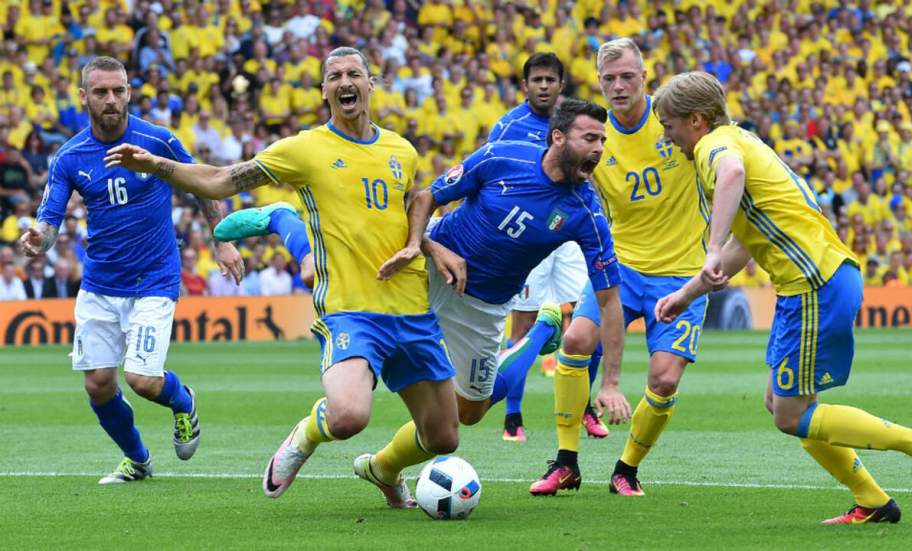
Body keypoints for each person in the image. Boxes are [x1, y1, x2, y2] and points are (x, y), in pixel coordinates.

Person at [104, 47, 461, 508]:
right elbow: (220, 179)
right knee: (349, 415)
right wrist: (155, 165)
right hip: (350, 309)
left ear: (372, 84)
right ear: (324, 91)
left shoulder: (402, 150)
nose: (345, 82)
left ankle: (382, 469)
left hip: (411, 307)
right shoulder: (304, 149)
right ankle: (306, 433)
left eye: (354, 73)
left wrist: (428, 243)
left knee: (444, 438)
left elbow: (409, 205)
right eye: (334, 76)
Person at [211, 97, 630, 479]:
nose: (598, 148)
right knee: (318, 272)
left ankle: (383, 467)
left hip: (482, 304)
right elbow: (428, 194)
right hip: (426, 260)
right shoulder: (503, 156)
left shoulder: (586, 212)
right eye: (589, 137)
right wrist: (418, 244)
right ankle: (286, 219)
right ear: (558, 137)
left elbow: (610, 301)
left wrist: (609, 382)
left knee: (468, 415)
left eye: (602, 140)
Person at [653, 70, 912, 524]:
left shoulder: (717, 146)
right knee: (782, 402)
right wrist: (689, 292)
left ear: (696, 120)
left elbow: (730, 179)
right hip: (813, 283)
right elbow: (746, 244)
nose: (667, 135)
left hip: (814, 283)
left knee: (790, 413)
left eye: (669, 125)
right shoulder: (739, 140)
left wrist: (710, 248)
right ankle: (873, 502)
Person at [18, 56, 244, 484]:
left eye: (119, 90)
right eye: (101, 92)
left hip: (155, 278)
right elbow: (49, 223)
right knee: (98, 385)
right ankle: (138, 460)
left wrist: (223, 238)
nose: (111, 99)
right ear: (84, 97)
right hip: (101, 283)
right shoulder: (70, 156)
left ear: (128, 92)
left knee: (141, 379)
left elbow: (204, 183)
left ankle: (183, 402)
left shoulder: (156, 140)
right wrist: (38, 241)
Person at [530, 38, 709, 498]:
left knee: (664, 378)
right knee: (574, 340)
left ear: (644, 78)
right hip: (623, 266)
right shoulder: (595, 139)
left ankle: (626, 469)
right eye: (608, 79)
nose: (618, 86)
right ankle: (566, 462)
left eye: (627, 76)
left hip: (681, 271)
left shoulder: (674, 121)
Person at [484, 52, 596, 443]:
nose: (544, 85)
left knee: (586, 318)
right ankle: (513, 418)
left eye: (551, 79)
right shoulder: (507, 126)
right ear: (525, 85)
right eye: (537, 80)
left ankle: (586, 408)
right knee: (524, 325)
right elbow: (488, 173)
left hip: (567, 233)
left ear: (562, 84)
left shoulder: (577, 123)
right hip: (526, 235)